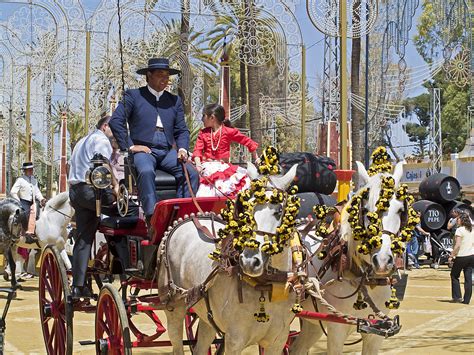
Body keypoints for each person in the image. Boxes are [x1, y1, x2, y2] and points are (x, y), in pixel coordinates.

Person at [109, 57, 199, 227]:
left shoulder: (174, 101)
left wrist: (182, 149)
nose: (164, 80)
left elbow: (182, 130)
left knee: (191, 173)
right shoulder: (133, 96)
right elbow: (116, 121)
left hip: (167, 151)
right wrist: (130, 146)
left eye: (167, 76)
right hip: (145, 150)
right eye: (160, 75)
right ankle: (152, 217)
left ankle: (182, 215)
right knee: (146, 171)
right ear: (148, 76)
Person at [68, 116, 121, 299]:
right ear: (105, 126)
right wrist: (115, 186)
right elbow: (103, 163)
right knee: (127, 212)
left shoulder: (83, 140)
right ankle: (120, 259)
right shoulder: (101, 140)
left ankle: (78, 285)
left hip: (76, 192)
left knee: (83, 240)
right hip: (92, 193)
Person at [192, 103, 259, 197]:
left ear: (212, 118)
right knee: (205, 192)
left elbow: (247, 142)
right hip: (206, 168)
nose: (202, 119)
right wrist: (198, 165)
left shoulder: (228, 131)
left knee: (230, 188)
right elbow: (197, 151)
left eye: (204, 116)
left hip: (224, 168)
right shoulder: (203, 133)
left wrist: (256, 159)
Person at [10, 162, 47, 233]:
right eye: (29, 169)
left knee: (39, 215)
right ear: (25, 170)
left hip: (33, 202)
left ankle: (36, 232)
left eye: (31, 169)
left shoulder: (34, 179)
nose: (31, 171)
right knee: (24, 216)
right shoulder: (20, 180)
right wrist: (18, 202)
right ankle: (24, 233)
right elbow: (13, 192)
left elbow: (37, 192)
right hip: (23, 202)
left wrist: (41, 199)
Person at [448, 212, 474, 304]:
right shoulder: (471, 229)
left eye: (458, 219)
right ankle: (467, 299)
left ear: (462, 220)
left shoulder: (459, 230)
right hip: (471, 256)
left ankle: (457, 296)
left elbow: (457, 245)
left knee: (454, 275)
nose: (456, 221)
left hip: (462, 256)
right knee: (468, 278)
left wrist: (451, 255)